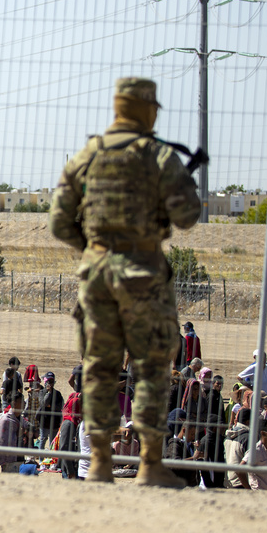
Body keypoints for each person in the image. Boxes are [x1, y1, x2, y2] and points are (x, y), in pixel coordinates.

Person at [49, 77, 201, 486]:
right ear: (147, 110)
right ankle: (150, 465)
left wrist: (94, 248)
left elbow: (59, 221)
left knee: (99, 367)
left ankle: (98, 462)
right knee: (152, 366)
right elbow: (188, 214)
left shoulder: (88, 154)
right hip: (143, 274)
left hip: (96, 276)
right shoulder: (157, 155)